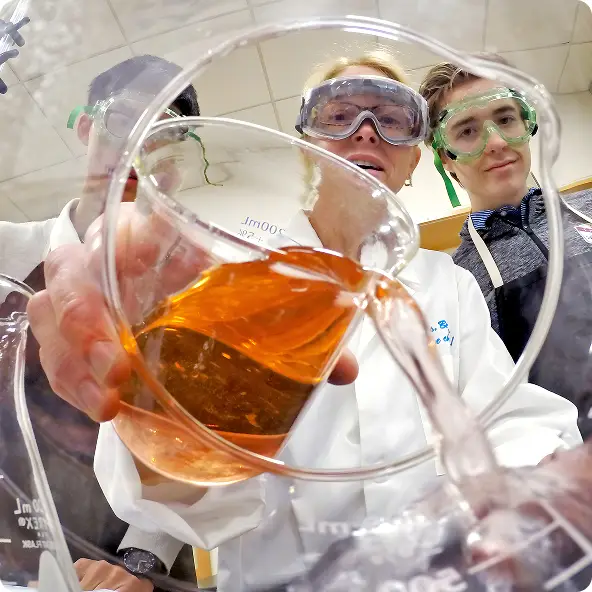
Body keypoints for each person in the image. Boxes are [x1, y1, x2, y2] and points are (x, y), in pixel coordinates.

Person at [26, 51, 581, 592]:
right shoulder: (233, 268)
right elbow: (178, 486)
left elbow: (506, 417)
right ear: (308, 147)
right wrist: (160, 413)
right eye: (339, 115)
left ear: (414, 162)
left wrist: (534, 486)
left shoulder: (447, 283)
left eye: (391, 121)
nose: (366, 133)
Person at [0, 55, 200, 591]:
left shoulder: (198, 293)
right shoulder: (5, 254)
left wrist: (140, 559)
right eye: (126, 120)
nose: (143, 146)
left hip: (140, 572)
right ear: (87, 128)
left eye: (170, 134)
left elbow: (189, 449)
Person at [419, 56, 592, 438]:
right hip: (568, 469)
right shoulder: (455, 281)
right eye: (467, 131)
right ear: (446, 158)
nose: (496, 141)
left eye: (506, 118)